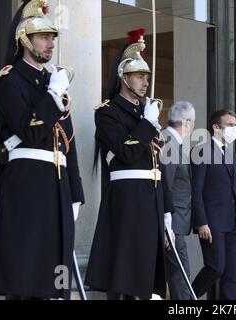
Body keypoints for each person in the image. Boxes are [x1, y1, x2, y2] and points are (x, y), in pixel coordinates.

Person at [0, 0, 84, 300]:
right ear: (24, 40)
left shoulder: (53, 82)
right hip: (26, 182)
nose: (51, 42)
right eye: (44, 36)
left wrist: (76, 192)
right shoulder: (9, 80)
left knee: (54, 277)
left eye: (53, 36)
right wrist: (54, 95)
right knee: (25, 271)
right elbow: (29, 131)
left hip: (57, 185)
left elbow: (68, 144)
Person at [85, 29, 173, 300]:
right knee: (125, 272)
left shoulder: (146, 113)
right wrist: (147, 124)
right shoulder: (107, 112)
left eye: (147, 77)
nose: (145, 83)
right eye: (139, 77)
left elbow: (158, 166)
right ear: (124, 77)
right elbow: (127, 152)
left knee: (146, 275)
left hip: (151, 197)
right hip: (127, 198)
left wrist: (167, 211)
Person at [191, 110, 236, 300]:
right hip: (212, 223)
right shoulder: (202, 151)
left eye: (235, 125)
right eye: (230, 125)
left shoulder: (231, 154)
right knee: (216, 267)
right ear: (216, 128)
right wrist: (201, 222)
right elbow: (196, 191)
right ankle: (186, 298)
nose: (234, 129)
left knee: (232, 275)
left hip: (234, 223)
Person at [160, 101, 196, 300]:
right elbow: (165, 185)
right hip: (172, 224)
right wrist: (168, 227)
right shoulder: (169, 144)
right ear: (188, 123)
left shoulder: (171, 142)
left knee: (179, 277)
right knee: (181, 277)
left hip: (174, 223)